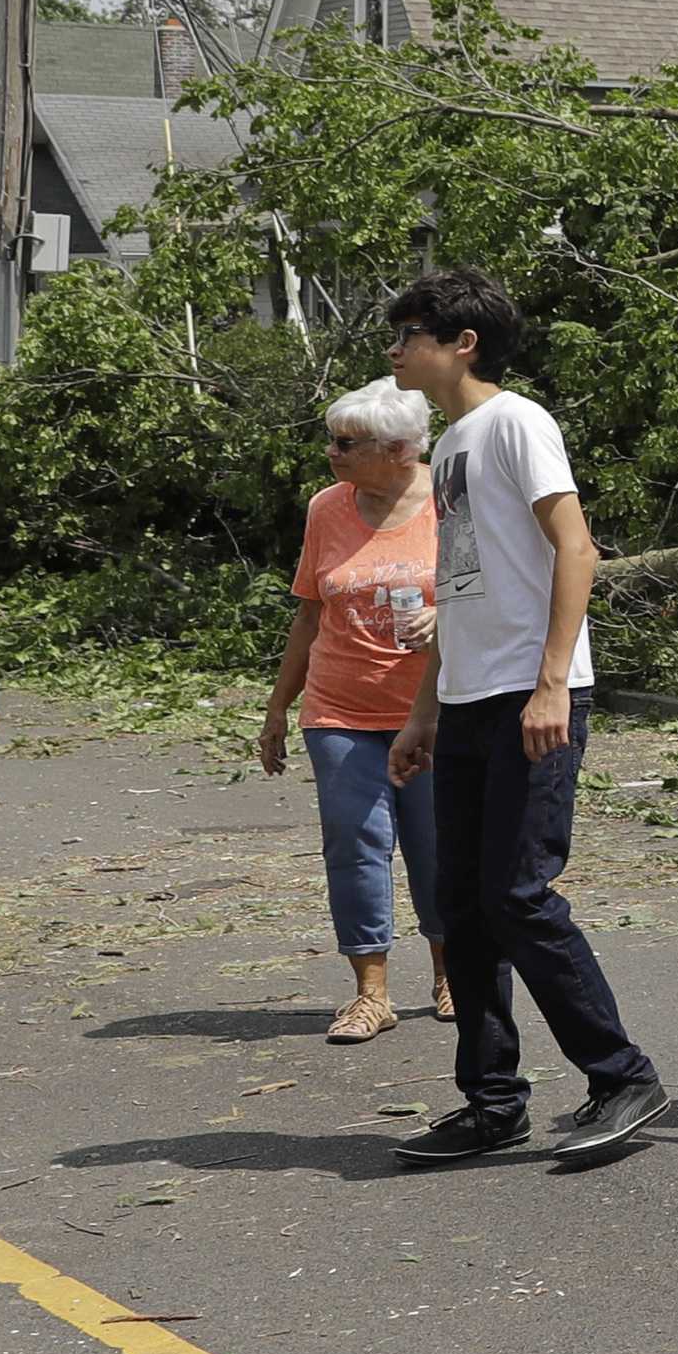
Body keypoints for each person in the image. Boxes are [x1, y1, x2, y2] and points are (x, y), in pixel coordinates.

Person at [378, 268, 668, 1166]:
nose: (394, 348)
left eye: (409, 331)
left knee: (518, 893)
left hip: (530, 693)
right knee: (461, 907)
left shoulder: (516, 421)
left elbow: (574, 545)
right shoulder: (455, 441)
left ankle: (621, 1073)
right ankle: (491, 1100)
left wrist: (552, 682)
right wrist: (426, 707)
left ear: (462, 342)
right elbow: (461, 588)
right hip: (468, 695)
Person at [260, 380, 454, 1045]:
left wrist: (449, 613)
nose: (332, 452)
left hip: (434, 710)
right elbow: (311, 610)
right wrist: (278, 707)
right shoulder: (326, 508)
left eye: (348, 443)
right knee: (355, 844)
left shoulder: (452, 500)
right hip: (341, 707)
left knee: (438, 847)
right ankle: (371, 992)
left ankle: (450, 971)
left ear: (400, 449)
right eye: (332, 439)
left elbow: (499, 588)